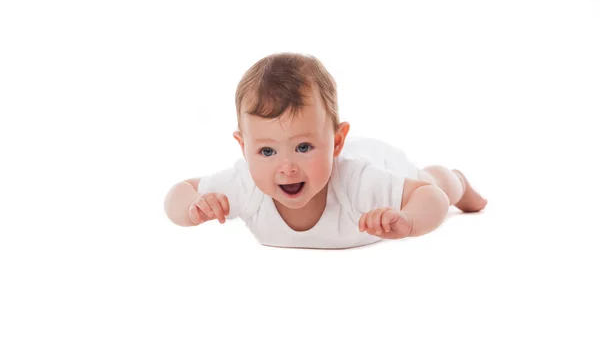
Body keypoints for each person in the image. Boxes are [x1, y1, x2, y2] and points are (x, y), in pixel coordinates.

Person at [163, 52, 487, 249]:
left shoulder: (361, 183)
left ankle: (458, 179)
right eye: (266, 152)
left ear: (336, 141)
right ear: (244, 148)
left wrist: (408, 220)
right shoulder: (245, 184)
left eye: (303, 147)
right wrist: (194, 207)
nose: (286, 167)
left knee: (434, 179)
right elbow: (178, 194)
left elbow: (432, 198)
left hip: (382, 161)